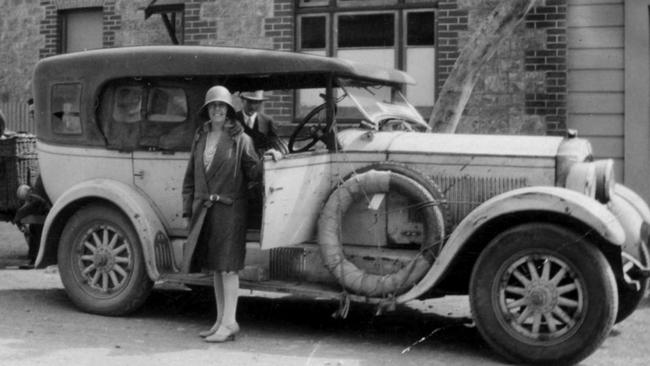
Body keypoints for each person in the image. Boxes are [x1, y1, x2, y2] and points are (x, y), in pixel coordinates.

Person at [181, 85, 261, 343]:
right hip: (205, 211)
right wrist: (187, 208)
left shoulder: (241, 140)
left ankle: (231, 322)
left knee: (228, 269)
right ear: (207, 110)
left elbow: (256, 175)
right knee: (216, 268)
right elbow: (191, 175)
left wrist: (273, 157)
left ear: (228, 110)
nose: (217, 110)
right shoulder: (200, 137)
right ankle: (220, 321)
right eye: (213, 106)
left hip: (230, 211)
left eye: (222, 106)